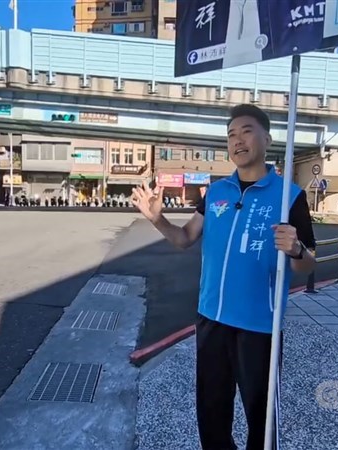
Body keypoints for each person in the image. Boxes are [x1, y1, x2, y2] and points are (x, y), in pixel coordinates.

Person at [131, 103, 316, 450]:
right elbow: (185, 238)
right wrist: (157, 219)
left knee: (260, 420)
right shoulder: (216, 192)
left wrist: (295, 250)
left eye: (246, 131)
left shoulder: (289, 197)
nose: (237, 141)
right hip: (211, 320)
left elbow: (307, 264)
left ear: (267, 138)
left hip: (260, 327)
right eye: (231, 135)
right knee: (211, 414)